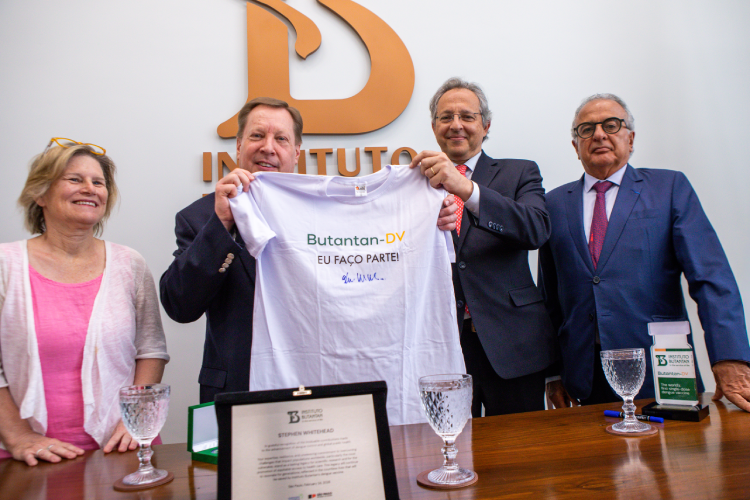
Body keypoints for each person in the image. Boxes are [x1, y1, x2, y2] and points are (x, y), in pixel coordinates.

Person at [161, 97, 456, 405]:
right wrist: (221, 224)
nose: (268, 147)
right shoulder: (202, 217)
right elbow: (179, 305)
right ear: (238, 145)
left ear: (296, 152)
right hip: (240, 392)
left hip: (319, 389)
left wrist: (425, 219)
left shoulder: (326, 213)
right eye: (257, 135)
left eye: (281, 139)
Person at [539, 94, 750, 410]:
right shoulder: (553, 204)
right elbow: (549, 299)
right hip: (584, 378)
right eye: (586, 129)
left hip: (661, 367)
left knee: (680, 444)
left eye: (611, 125)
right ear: (575, 145)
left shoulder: (669, 188)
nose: (599, 134)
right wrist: (552, 372)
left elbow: (711, 278)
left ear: (631, 138)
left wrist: (730, 357)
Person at [0, 138, 169, 465]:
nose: (90, 189)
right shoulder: (5, 264)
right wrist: (18, 436)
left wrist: (136, 419)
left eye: (98, 182)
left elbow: (151, 349)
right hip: (28, 458)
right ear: (40, 194)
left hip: (122, 449)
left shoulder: (129, 263)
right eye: (75, 179)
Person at [410, 78, 557, 417]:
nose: (456, 125)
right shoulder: (415, 182)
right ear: (434, 127)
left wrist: (466, 189)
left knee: (520, 444)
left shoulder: (520, 172)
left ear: (486, 125)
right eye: (446, 117)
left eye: (467, 116)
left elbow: (536, 229)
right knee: (448, 441)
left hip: (513, 344)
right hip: (441, 345)